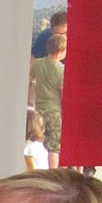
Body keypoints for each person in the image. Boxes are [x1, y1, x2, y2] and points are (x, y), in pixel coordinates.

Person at [30, 33, 66, 168]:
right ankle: (52, 173)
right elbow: (62, 91)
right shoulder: (61, 69)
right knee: (54, 147)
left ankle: (40, 169)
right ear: (60, 52)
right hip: (55, 110)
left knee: (40, 142)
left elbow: (29, 81)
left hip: (39, 109)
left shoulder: (38, 64)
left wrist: (28, 99)